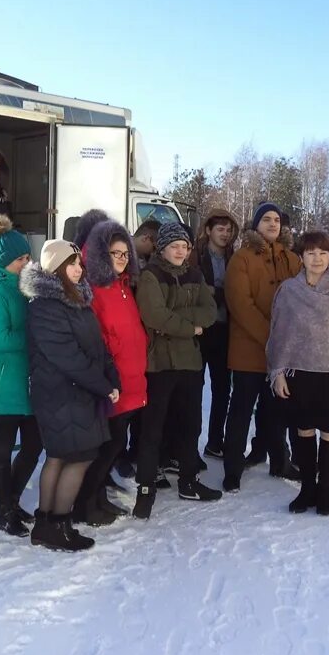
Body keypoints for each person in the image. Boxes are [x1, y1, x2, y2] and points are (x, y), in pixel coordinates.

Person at [21, 240, 119, 551]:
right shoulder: (45, 306)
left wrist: (110, 375)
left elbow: (98, 347)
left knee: (63, 456)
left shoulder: (76, 300)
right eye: (72, 264)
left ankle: (47, 525)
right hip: (60, 394)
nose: (79, 269)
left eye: (79, 264)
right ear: (56, 268)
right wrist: (103, 385)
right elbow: (68, 357)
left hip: (77, 393)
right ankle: (57, 523)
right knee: (76, 456)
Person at [268, 232, 329, 516]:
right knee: (304, 430)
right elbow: (279, 332)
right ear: (302, 256)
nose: (317, 258)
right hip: (299, 371)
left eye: (322, 253)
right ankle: (307, 488)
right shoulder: (289, 290)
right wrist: (277, 371)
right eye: (310, 253)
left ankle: (324, 492)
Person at [133, 221, 220, 518]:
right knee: (153, 428)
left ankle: (188, 480)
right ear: (162, 248)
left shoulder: (195, 274)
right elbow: (154, 315)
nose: (180, 252)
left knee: (190, 424)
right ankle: (145, 488)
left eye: (184, 247)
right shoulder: (150, 275)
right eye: (174, 246)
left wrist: (179, 320)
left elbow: (210, 312)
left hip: (190, 363)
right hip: (159, 363)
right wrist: (189, 327)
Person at [72, 219, 149, 526]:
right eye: (114, 253)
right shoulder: (95, 290)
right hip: (112, 381)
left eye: (124, 253)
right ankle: (84, 504)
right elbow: (96, 338)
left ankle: (98, 498)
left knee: (114, 445)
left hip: (132, 379)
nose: (121, 258)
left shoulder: (124, 288)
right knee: (107, 447)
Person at [223, 202, 303, 491]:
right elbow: (241, 305)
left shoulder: (292, 259)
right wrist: (272, 339)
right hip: (249, 351)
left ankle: (280, 461)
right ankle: (232, 468)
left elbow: (305, 296)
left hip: (282, 354)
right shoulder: (241, 259)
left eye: (277, 220)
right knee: (241, 411)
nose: (273, 224)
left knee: (277, 411)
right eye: (266, 219)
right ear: (256, 224)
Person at [0, 216, 43, 537]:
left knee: (34, 444)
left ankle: (12, 500)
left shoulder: (19, 283)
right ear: (6, 261)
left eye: (28, 257)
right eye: (22, 259)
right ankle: (3, 512)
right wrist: (34, 338)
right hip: (4, 381)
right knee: (2, 448)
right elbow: (1, 340)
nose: (27, 262)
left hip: (25, 381)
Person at [190, 209, 241, 459]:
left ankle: (214, 442)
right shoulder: (195, 256)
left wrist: (216, 292)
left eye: (229, 230)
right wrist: (216, 292)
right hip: (200, 331)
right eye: (220, 229)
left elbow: (235, 293)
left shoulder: (235, 257)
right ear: (209, 230)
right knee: (193, 389)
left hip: (225, 331)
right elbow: (196, 290)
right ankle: (189, 446)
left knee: (222, 389)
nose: (225, 234)